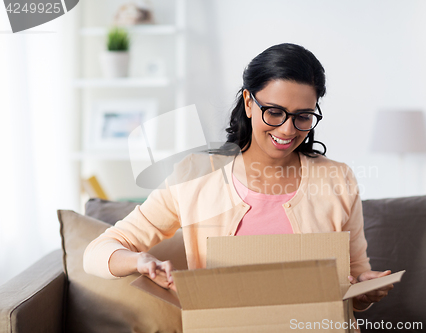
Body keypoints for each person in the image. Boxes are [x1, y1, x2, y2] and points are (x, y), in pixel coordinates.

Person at [83, 43, 393, 312]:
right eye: (274, 112)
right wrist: (139, 262)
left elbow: (354, 281)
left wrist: (365, 289)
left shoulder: (337, 178)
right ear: (248, 102)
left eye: (303, 116)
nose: (287, 130)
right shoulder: (195, 177)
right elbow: (97, 253)